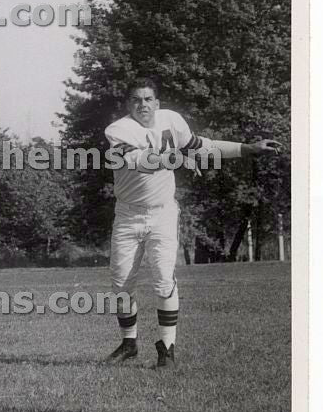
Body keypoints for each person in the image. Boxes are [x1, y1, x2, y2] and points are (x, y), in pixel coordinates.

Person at [104, 77, 280, 368]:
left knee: (163, 280)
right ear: (128, 104)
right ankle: (129, 342)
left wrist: (247, 148)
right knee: (121, 283)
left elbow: (201, 146)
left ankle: (167, 348)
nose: (142, 105)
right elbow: (135, 159)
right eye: (136, 99)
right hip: (128, 214)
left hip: (162, 212)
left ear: (157, 103)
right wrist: (175, 160)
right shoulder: (118, 129)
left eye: (148, 99)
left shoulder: (171, 120)